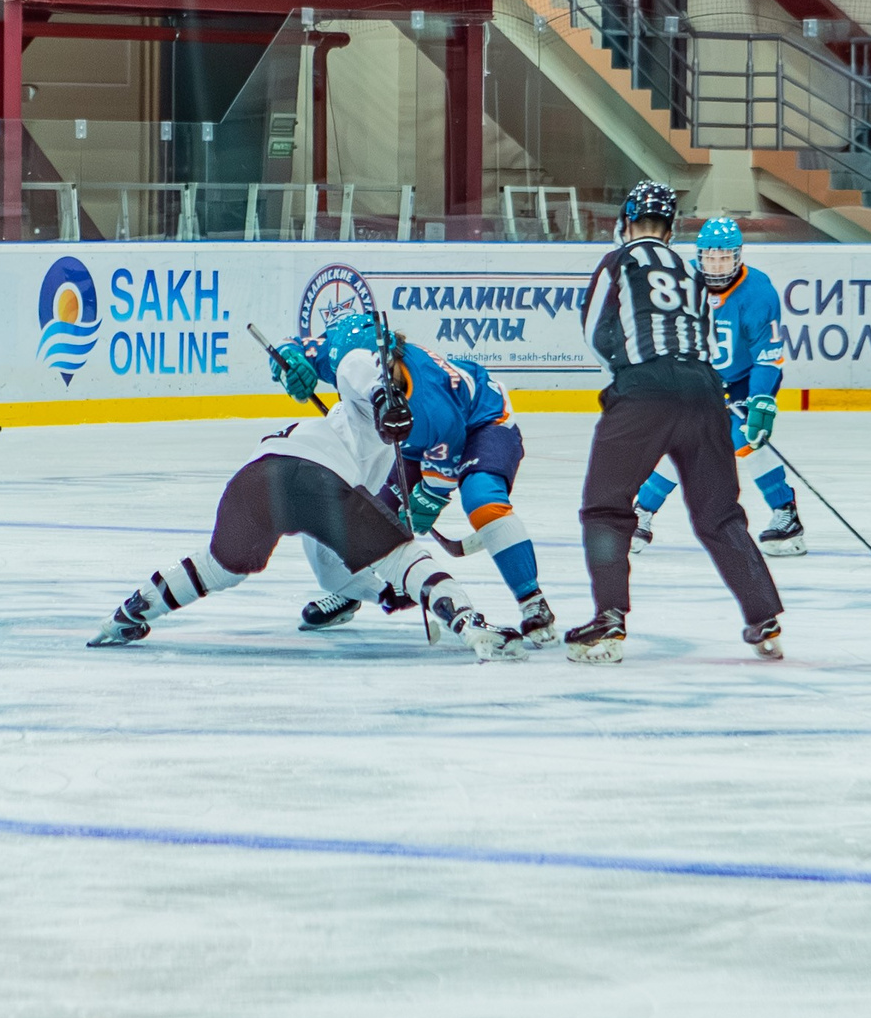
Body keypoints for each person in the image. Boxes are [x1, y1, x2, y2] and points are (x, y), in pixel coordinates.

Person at [88, 338, 516, 660]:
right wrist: (386, 399)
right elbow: (354, 364)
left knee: (221, 565)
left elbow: (333, 569)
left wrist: (383, 591)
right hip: (316, 482)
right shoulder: (363, 406)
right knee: (401, 558)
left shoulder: (364, 440)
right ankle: (468, 622)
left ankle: (131, 611)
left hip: (256, 480)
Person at [566, 181, 786, 665]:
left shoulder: (617, 262)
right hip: (705, 390)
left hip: (643, 392)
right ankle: (763, 614)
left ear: (625, 221)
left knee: (606, 506)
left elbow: (593, 331)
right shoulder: (689, 272)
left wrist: (631, 373)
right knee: (719, 512)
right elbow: (704, 335)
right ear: (671, 228)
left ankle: (609, 618)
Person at [273, 313, 556, 645]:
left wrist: (428, 498)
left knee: (483, 500)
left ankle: (532, 601)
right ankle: (351, 590)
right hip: (410, 429)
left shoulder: (431, 404)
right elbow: (286, 349)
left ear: (391, 359)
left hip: (482, 420)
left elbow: (442, 470)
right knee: (366, 517)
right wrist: (287, 367)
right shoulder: (344, 351)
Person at [632, 216, 803, 557]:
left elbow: (766, 358)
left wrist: (760, 402)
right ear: (699, 255)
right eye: (710, 257)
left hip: (742, 380)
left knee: (746, 439)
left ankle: (786, 514)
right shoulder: (681, 283)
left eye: (725, 257)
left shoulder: (758, 292)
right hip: (698, 379)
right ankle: (642, 512)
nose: (717, 265)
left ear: (738, 256)